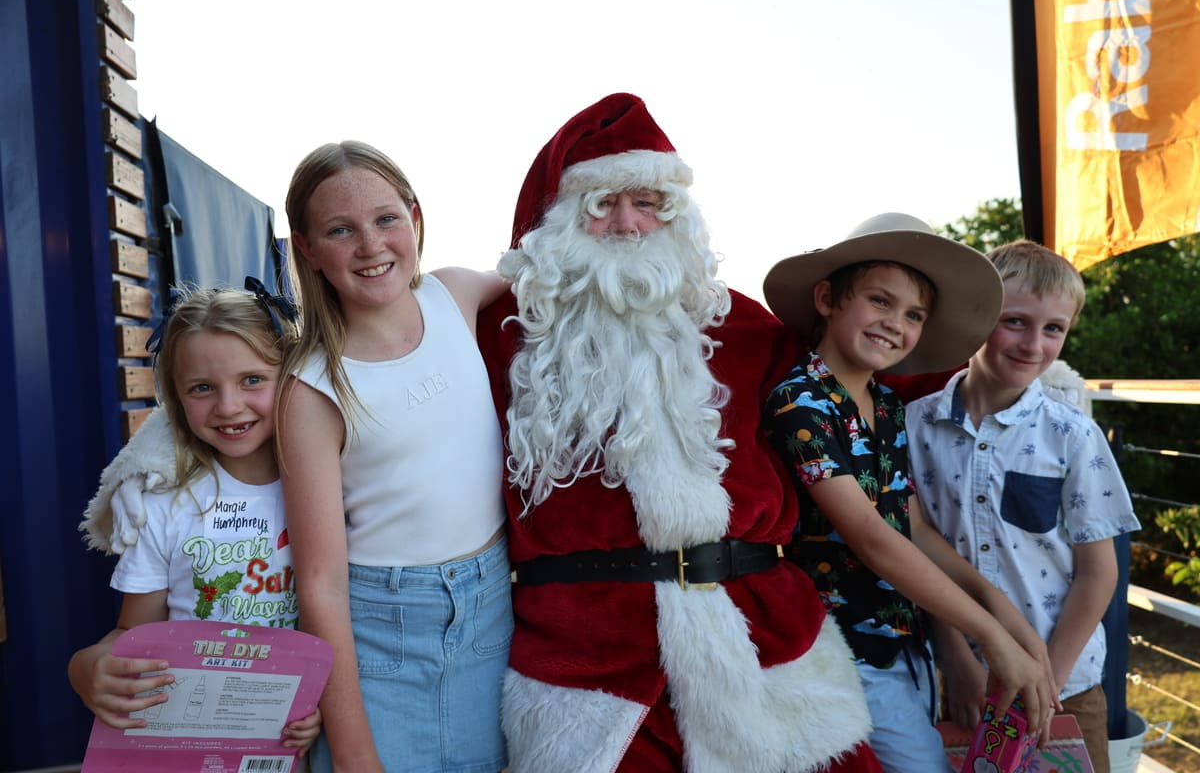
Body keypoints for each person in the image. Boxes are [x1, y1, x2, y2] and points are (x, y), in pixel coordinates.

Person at [475, 93, 883, 772]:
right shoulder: (501, 335)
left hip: (768, 650)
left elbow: (888, 376)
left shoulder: (747, 327)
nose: (630, 224)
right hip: (591, 665)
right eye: (603, 204)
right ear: (559, 221)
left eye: (649, 202)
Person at [79, 140, 512, 773]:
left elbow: (556, 269)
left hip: (490, 607)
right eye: (341, 230)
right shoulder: (312, 386)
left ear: (415, 217)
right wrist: (356, 754)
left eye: (387, 219)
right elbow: (321, 584)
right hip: (383, 620)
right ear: (305, 249)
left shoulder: (457, 295)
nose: (370, 244)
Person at [760, 214, 1059, 772]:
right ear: (827, 298)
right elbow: (873, 539)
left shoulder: (887, 406)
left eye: (914, 314)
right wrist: (989, 635)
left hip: (905, 641)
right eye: (880, 301)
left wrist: (1003, 612)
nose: (895, 323)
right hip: (845, 648)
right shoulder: (800, 403)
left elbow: (914, 527)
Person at [905, 239, 1140, 771]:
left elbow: (1098, 573)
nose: (1034, 344)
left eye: (1053, 328)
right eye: (1015, 321)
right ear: (977, 315)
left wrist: (1046, 681)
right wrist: (956, 660)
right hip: (960, 682)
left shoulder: (1073, 435)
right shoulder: (915, 426)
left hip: (1066, 686)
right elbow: (921, 557)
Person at [68, 282, 321, 757]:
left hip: (294, 745)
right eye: (203, 388)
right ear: (176, 399)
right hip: (188, 742)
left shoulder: (328, 492)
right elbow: (132, 633)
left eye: (252, 380)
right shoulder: (162, 505)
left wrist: (325, 703)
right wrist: (86, 668)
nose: (229, 407)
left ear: (290, 375)